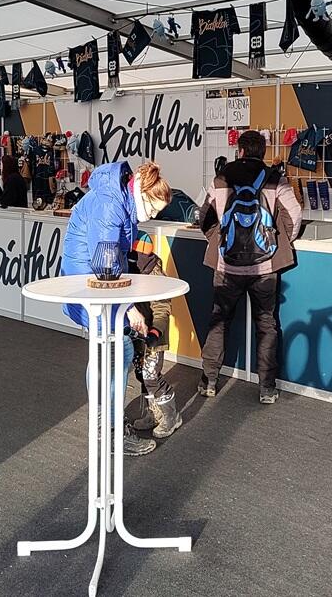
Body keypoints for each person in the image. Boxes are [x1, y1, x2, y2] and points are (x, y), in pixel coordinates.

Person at [62, 161, 172, 456]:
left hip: (89, 283)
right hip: (92, 285)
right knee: (115, 353)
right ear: (143, 193)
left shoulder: (116, 198)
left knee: (106, 354)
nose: (152, 216)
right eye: (153, 209)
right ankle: (110, 431)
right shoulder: (112, 205)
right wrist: (130, 308)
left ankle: (104, 426)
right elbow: (105, 266)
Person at [199, 130, 302, 404]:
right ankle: (267, 388)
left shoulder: (221, 178)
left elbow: (204, 217)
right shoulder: (275, 178)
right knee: (266, 324)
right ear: (263, 152)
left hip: (227, 267)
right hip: (264, 267)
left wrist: (219, 241)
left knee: (219, 321)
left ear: (240, 151)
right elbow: (294, 216)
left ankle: (209, 381)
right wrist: (277, 242)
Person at [128, 243, 182, 438]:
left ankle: (171, 416)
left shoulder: (153, 273)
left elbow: (162, 307)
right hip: (136, 335)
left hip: (153, 335)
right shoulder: (126, 268)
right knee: (141, 374)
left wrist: (154, 333)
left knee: (151, 375)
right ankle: (153, 412)